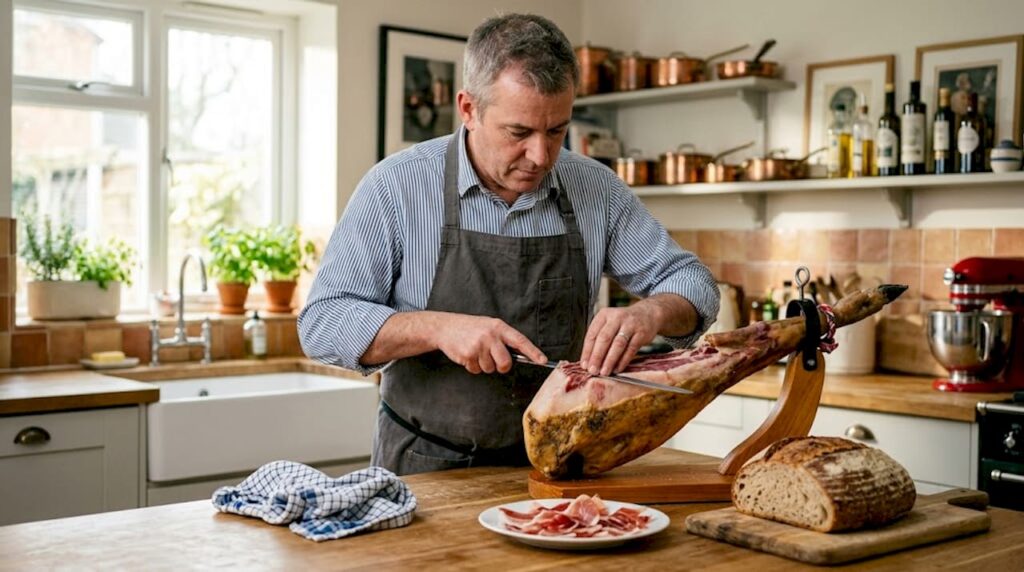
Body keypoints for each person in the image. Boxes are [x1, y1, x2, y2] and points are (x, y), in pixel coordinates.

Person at [298, 14, 719, 476]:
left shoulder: (595, 189)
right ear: (468, 109)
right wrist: (437, 328)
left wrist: (650, 312)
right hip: (425, 468)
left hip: (559, 469)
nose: (540, 156)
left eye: (557, 130)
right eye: (519, 133)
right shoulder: (396, 187)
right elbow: (322, 324)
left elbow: (694, 283)